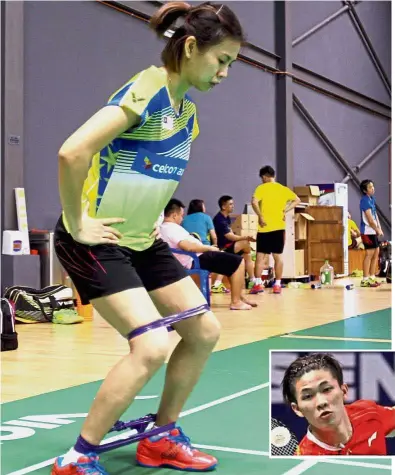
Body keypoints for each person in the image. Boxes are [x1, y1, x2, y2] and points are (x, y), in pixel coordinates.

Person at [51, 3, 244, 474]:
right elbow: (73, 152)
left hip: (140, 239)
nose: (224, 73)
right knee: (153, 345)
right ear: (192, 47)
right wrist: (78, 222)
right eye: (221, 61)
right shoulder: (148, 89)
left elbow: (146, 174)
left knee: (203, 331)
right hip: (94, 240)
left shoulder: (186, 113)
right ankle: (78, 456)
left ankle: (160, 436)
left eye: (231, 66)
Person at [281, 353, 395, 456]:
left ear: (344, 391)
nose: (321, 402)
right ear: (297, 409)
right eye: (307, 396)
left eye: (326, 389)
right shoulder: (306, 458)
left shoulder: (368, 413)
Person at [161, 199, 257, 310]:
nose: (182, 219)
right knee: (238, 261)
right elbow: (188, 246)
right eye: (181, 216)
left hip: (196, 257)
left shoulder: (164, 228)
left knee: (231, 264)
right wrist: (209, 248)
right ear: (174, 215)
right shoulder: (172, 229)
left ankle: (240, 298)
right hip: (196, 259)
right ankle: (236, 302)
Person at [250, 166, 300, 294]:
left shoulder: (261, 188)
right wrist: (285, 210)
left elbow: (254, 202)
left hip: (264, 227)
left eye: (262, 178)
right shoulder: (282, 189)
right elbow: (297, 200)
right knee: (278, 257)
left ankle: (258, 284)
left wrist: (260, 216)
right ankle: (277, 285)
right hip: (279, 227)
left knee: (260, 257)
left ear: (265, 177)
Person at [182, 199, 229, 294]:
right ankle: (217, 284)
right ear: (200, 207)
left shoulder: (184, 219)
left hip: (189, 252)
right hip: (204, 249)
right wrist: (215, 246)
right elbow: (214, 236)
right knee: (225, 257)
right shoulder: (206, 217)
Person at [213, 195, 256, 289]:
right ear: (224, 206)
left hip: (229, 246)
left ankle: (253, 281)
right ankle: (217, 283)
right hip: (224, 247)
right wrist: (246, 237)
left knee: (247, 255)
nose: (233, 206)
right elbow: (230, 236)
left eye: (233, 204)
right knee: (245, 243)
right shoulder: (219, 219)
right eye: (231, 204)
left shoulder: (226, 217)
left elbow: (231, 232)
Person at [359, 179, 383, 287]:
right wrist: (377, 229)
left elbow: (375, 215)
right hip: (367, 232)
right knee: (369, 254)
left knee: (376, 252)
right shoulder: (364, 201)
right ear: (365, 190)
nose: (372, 188)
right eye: (369, 187)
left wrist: (379, 228)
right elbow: (369, 219)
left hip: (373, 231)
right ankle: (365, 279)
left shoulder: (371, 199)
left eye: (373, 186)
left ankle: (372, 277)